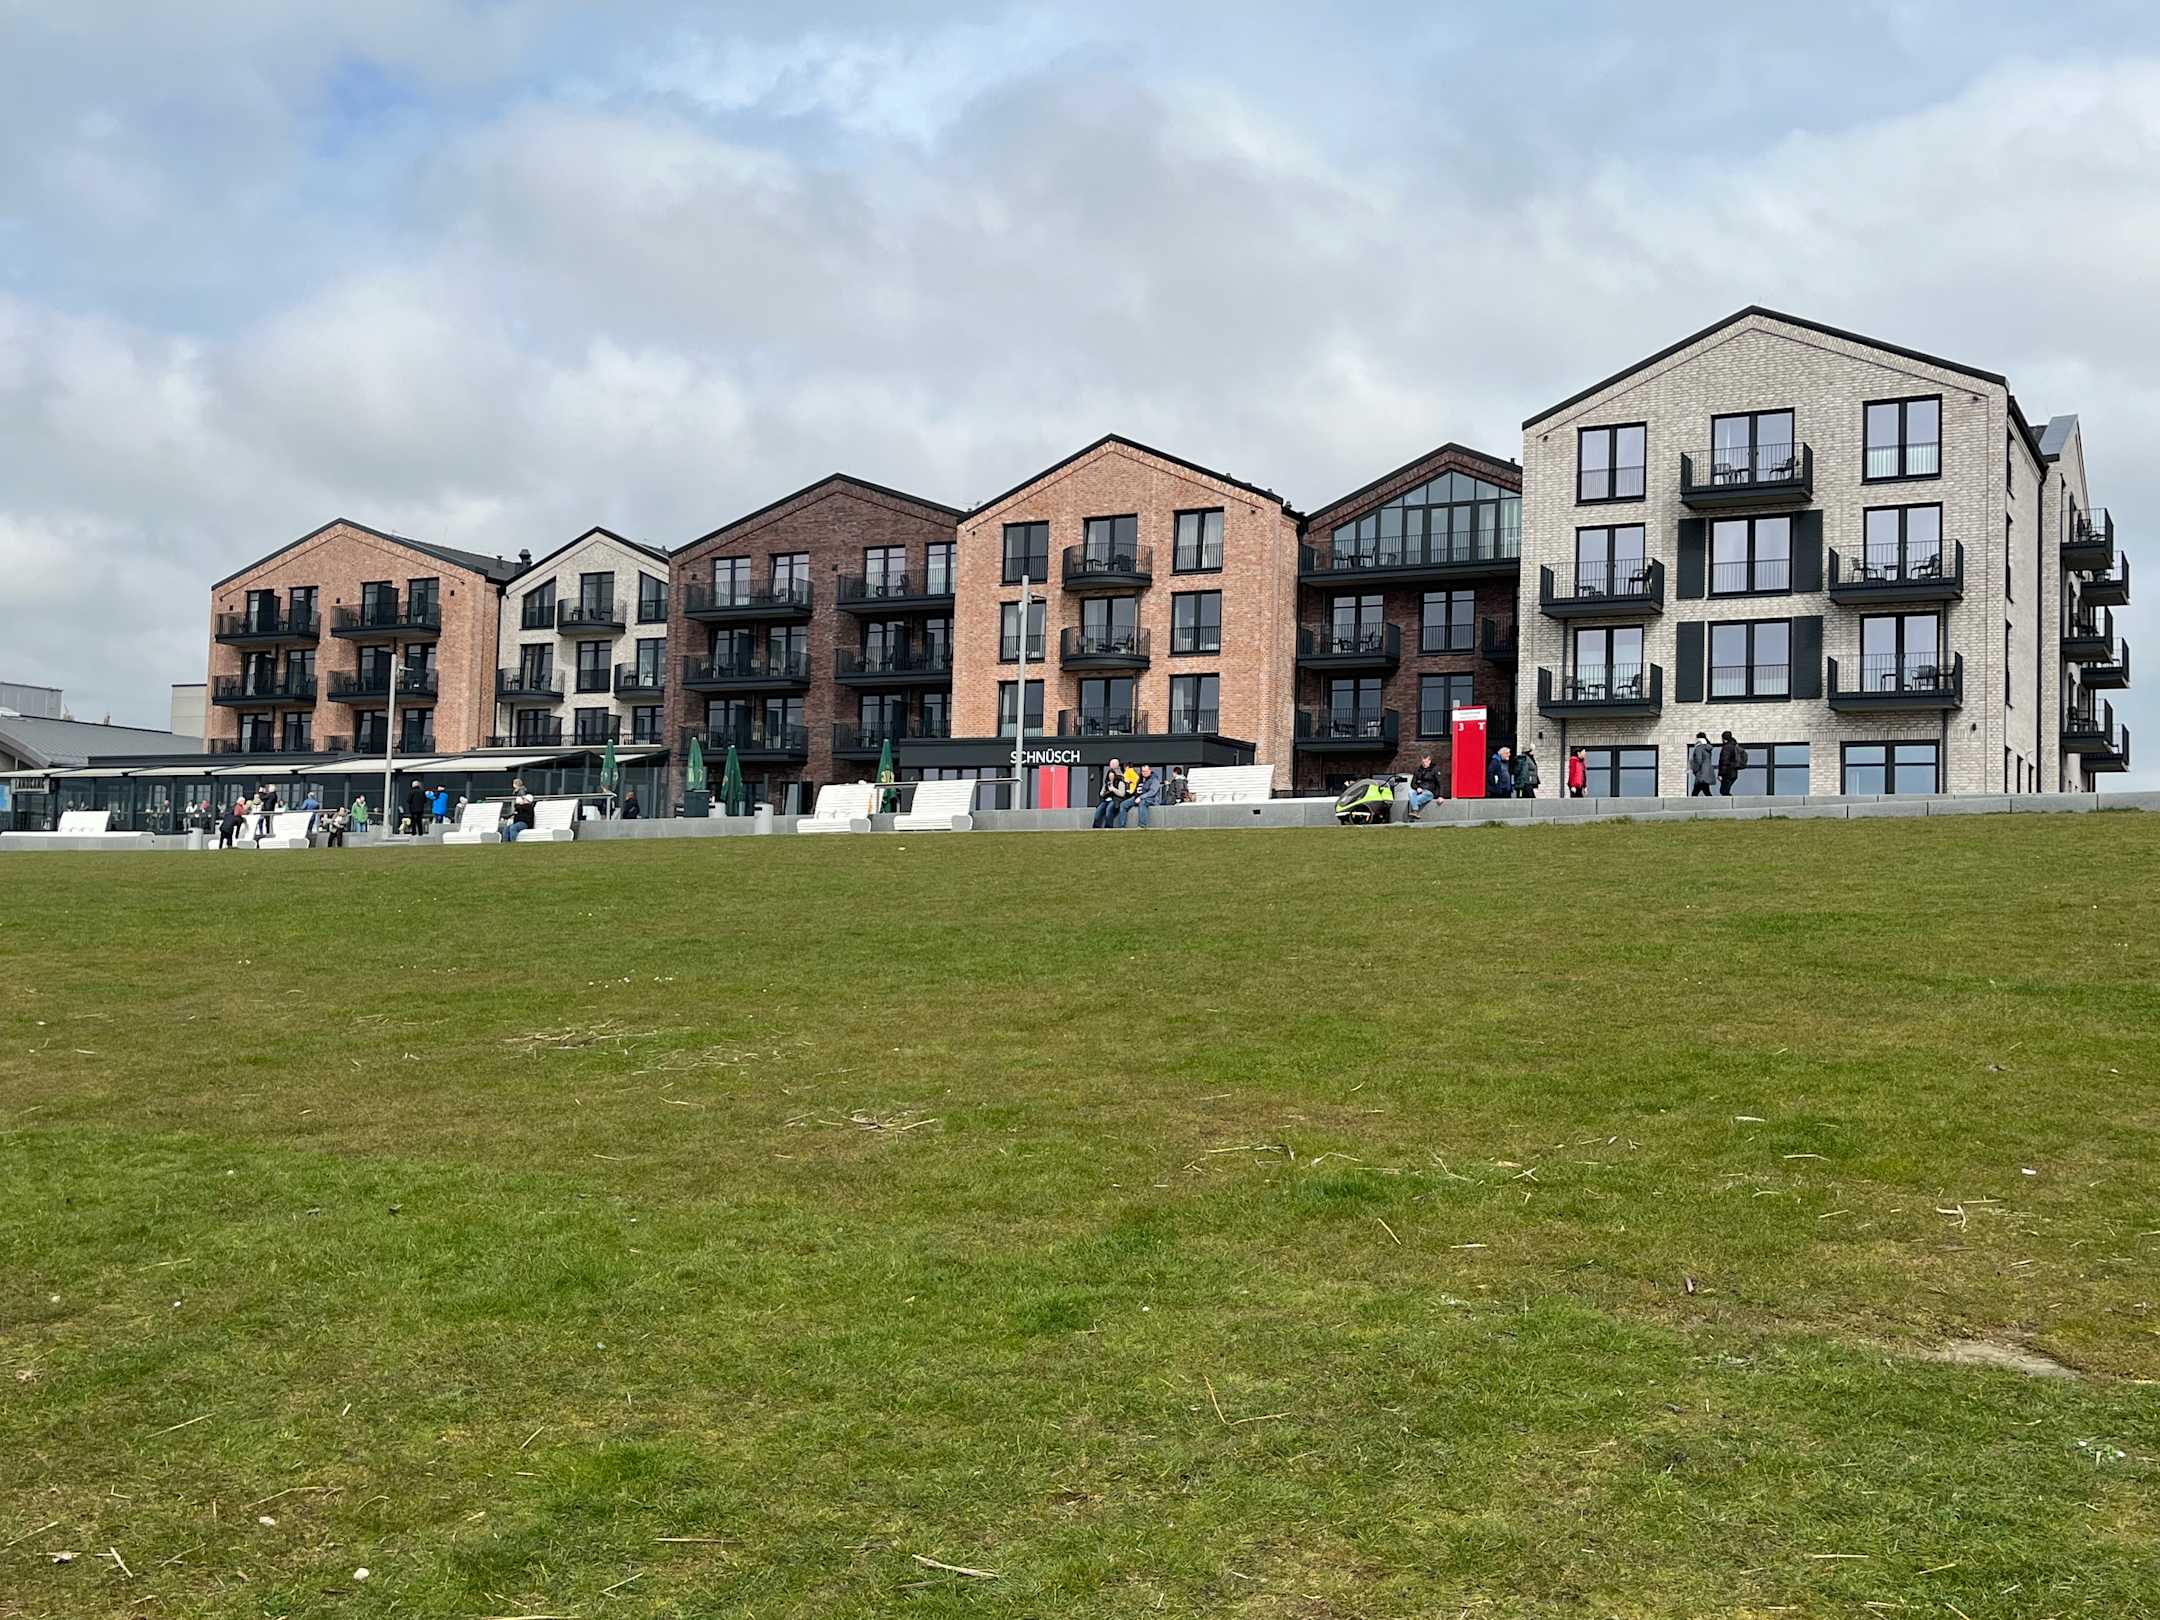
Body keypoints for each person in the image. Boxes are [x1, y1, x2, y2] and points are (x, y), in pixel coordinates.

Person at [1092, 758, 1132, 828]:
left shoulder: (1120, 781)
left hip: (1116, 800)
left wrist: (1113, 789)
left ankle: (1108, 827)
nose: (1111, 777)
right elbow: (1101, 794)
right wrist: (1105, 790)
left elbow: (1122, 794)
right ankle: (1095, 828)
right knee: (1098, 812)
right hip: (1106, 800)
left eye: (1112, 776)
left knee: (1109, 810)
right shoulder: (1107, 783)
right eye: (1109, 776)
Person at [1407, 753, 1443, 818]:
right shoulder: (1418, 770)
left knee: (1416, 798)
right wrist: (1417, 788)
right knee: (1410, 792)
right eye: (1423, 762)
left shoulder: (1435, 769)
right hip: (1419, 791)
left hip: (1429, 792)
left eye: (1426, 762)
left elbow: (1440, 783)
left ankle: (1414, 809)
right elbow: (1412, 784)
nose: (1424, 763)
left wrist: (1441, 796)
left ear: (1429, 761)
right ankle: (1415, 811)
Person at [1132, 763, 1162, 827]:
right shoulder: (1140, 779)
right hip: (1140, 797)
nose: (1145, 773)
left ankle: (1142, 825)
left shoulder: (1154, 779)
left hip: (1153, 799)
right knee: (1124, 804)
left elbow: (1152, 792)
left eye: (1146, 771)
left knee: (1142, 802)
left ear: (1150, 771)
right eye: (1143, 771)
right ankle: (1122, 826)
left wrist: (1140, 797)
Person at [1717, 730, 1746, 796]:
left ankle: (1731, 802)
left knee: (1724, 791)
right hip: (1733, 773)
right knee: (1725, 791)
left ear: (1724, 739)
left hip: (1727, 773)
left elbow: (1724, 761)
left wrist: (1720, 774)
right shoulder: (1734, 745)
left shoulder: (1726, 747)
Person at [1687, 733, 1716, 798]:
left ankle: (1690, 804)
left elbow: (1698, 760)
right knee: (1705, 790)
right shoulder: (1707, 748)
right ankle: (1713, 801)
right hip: (1707, 772)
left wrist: (1695, 770)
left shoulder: (1699, 748)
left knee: (1696, 792)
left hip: (1701, 773)